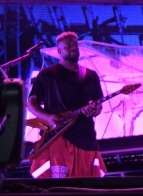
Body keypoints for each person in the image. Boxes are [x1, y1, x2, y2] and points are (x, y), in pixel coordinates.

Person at [27, 31, 107, 179]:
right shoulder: (47, 75)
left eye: (75, 45)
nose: (73, 48)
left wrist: (94, 110)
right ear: (58, 51)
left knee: (87, 187)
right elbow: (31, 102)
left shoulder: (91, 75)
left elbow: (99, 106)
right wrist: (49, 117)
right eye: (68, 46)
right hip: (57, 138)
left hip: (86, 139)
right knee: (58, 187)